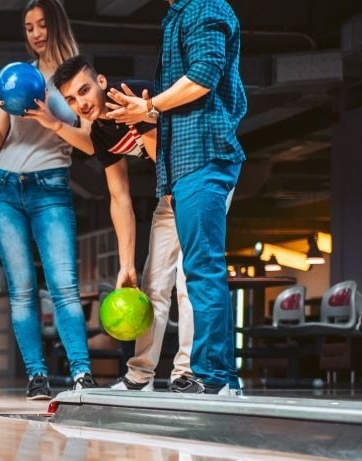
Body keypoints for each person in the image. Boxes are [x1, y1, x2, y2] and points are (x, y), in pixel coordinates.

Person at [54, 56, 242, 394]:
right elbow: (120, 197)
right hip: (171, 192)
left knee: (189, 281)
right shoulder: (101, 131)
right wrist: (126, 265)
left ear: (101, 81)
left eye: (83, 90)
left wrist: (143, 121)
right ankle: (140, 375)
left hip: (204, 176)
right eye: (70, 99)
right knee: (153, 281)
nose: (80, 103)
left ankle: (188, 372)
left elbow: (165, 151)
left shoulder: (135, 94)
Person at [108, 0, 247, 394]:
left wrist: (150, 104)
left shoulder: (205, 7)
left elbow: (203, 76)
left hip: (205, 156)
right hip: (184, 167)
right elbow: (186, 99)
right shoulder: (178, 15)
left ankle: (217, 377)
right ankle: (202, 374)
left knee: (202, 270)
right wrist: (149, 113)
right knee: (198, 271)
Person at [0, 0, 99, 400]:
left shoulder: (75, 78)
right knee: (23, 289)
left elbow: (87, 143)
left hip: (51, 188)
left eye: (42, 24)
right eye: (29, 26)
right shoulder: (17, 76)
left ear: (57, 25)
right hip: (4, 189)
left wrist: (52, 120)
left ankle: (82, 372)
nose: (35, 33)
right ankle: (37, 376)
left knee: (64, 286)